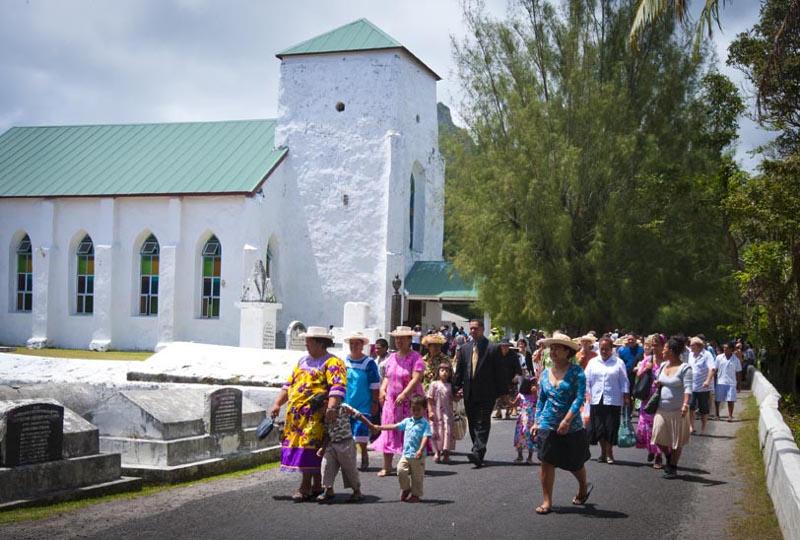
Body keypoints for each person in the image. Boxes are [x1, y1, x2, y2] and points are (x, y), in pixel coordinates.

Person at [270, 326, 347, 502]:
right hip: (297, 418)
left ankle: (306, 486)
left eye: (309, 341)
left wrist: (331, 408)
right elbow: (288, 385)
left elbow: (337, 387)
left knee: (311, 449)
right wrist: (277, 403)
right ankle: (317, 486)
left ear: (320, 344)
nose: (306, 344)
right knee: (305, 448)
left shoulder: (333, 363)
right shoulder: (302, 362)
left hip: (316, 416)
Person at [531, 332, 592, 515]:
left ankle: (583, 487)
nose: (553, 351)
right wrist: (537, 421)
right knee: (546, 461)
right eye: (552, 348)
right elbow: (541, 400)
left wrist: (567, 420)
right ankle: (547, 501)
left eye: (558, 348)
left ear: (568, 352)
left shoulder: (577, 372)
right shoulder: (545, 374)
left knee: (574, 463)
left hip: (571, 426)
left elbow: (579, 398)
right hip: (547, 424)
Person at [372, 326, 426, 477]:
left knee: (410, 433)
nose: (399, 341)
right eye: (397, 338)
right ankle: (387, 467)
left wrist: (404, 394)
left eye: (402, 338)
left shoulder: (416, 357)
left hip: (410, 403)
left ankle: (410, 464)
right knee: (388, 430)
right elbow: (388, 377)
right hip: (392, 403)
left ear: (410, 340)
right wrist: (382, 390)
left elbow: (416, 378)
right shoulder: (392, 357)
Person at [453, 319, 506, 468]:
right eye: (471, 329)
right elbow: (460, 371)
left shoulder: (493, 348)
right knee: (472, 423)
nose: (472, 331)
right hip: (469, 392)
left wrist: (503, 394)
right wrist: (455, 388)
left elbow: (500, 373)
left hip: (487, 394)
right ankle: (477, 448)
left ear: (483, 329)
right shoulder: (464, 348)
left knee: (482, 423)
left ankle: (478, 452)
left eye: (476, 328)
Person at [368, 395, 432, 503]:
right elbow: (395, 426)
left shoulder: (425, 424)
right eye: (413, 409)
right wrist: (380, 427)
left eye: (418, 410)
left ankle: (416, 495)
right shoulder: (407, 421)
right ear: (410, 409)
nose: (416, 412)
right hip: (406, 454)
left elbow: (426, 437)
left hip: (417, 456)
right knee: (400, 470)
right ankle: (406, 488)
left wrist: (420, 449)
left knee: (417, 477)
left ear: (424, 410)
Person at [651, 336, 693, 479]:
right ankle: (668, 456)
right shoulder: (663, 366)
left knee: (676, 440)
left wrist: (685, 404)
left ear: (672, 350)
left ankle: (673, 466)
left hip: (678, 410)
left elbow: (688, 388)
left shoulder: (685, 368)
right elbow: (660, 381)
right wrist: (658, 383)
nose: (662, 350)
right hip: (662, 408)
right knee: (657, 436)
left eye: (665, 348)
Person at [584, 337, 630, 464]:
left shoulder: (618, 362)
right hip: (596, 399)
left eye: (607, 349)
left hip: (613, 399)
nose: (604, 351)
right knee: (599, 428)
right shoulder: (593, 362)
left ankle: (610, 453)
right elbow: (586, 379)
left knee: (610, 427)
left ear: (611, 349)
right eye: (602, 349)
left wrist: (626, 396)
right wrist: (586, 393)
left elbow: (624, 381)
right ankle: (603, 452)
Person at [316, 402, 368, 502]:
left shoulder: (343, 407)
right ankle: (328, 490)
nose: (320, 412)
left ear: (325, 403)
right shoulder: (324, 416)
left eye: (320, 408)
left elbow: (358, 415)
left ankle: (357, 491)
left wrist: (370, 426)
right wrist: (323, 447)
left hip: (346, 442)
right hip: (332, 444)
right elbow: (327, 433)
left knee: (349, 469)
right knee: (326, 466)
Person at [343, 331, 381, 471]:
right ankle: (349, 460)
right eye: (351, 344)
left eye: (357, 344)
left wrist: (375, 402)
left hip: (364, 403)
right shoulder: (345, 362)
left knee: (361, 431)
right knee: (346, 432)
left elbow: (375, 384)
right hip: (347, 403)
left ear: (362, 346)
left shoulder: (369, 363)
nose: (353, 346)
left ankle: (364, 454)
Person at [635, 333, 665, 469]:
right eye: (652, 345)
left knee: (658, 427)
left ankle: (658, 456)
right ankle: (651, 449)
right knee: (646, 426)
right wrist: (646, 369)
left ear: (663, 346)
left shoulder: (667, 361)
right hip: (648, 397)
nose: (654, 348)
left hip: (662, 397)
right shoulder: (648, 359)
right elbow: (638, 375)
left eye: (657, 345)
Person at [426, 361, 455, 463]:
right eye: (442, 370)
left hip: (447, 414)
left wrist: (459, 395)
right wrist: (430, 412)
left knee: (447, 432)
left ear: (450, 373)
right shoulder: (434, 384)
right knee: (435, 432)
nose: (444, 372)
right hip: (436, 413)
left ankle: (446, 454)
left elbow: (454, 399)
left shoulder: (451, 386)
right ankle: (437, 452)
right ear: (438, 372)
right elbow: (429, 399)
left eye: (447, 370)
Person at [687, 336, 717, 434]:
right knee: (690, 407)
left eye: (692, 345)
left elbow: (712, 368)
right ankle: (691, 427)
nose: (690, 347)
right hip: (691, 386)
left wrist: (708, 380)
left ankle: (703, 428)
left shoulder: (707, 354)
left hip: (703, 388)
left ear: (698, 346)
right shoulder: (690, 354)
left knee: (704, 409)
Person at [715, 341, 743, 422]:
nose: (724, 349)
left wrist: (739, 384)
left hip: (731, 382)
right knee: (717, 399)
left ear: (731, 349)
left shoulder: (736, 360)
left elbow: (738, 372)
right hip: (720, 381)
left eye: (726, 348)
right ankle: (717, 415)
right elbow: (715, 369)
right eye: (724, 348)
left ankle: (730, 416)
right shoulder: (719, 357)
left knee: (730, 400)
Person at [616, 334, 643, 416]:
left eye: (632, 339)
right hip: (625, 375)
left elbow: (644, 361)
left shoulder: (641, 350)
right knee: (625, 394)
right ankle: (626, 413)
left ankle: (632, 411)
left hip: (637, 376)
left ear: (636, 339)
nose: (630, 341)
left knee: (634, 394)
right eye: (629, 339)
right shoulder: (623, 351)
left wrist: (639, 367)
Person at [513, 376, 537, 464]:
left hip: (531, 420)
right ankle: (520, 456)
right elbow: (513, 404)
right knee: (520, 437)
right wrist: (507, 400)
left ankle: (529, 457)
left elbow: (539, 403)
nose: (534, 386)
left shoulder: (534, 395)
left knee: (530, 437)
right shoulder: (521, 395)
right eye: (533, 384)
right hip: (522, 420)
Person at [494, 338, 520, 419]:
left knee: (509, 396)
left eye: (506, 346)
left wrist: (516, 376)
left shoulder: (513, 355)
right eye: (503, 346)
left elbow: (518, 368)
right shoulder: (496, 354)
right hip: (498, 378)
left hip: (510, 379)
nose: (505, 348)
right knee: (498, 396)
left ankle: (508, 412)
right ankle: (498, 411)